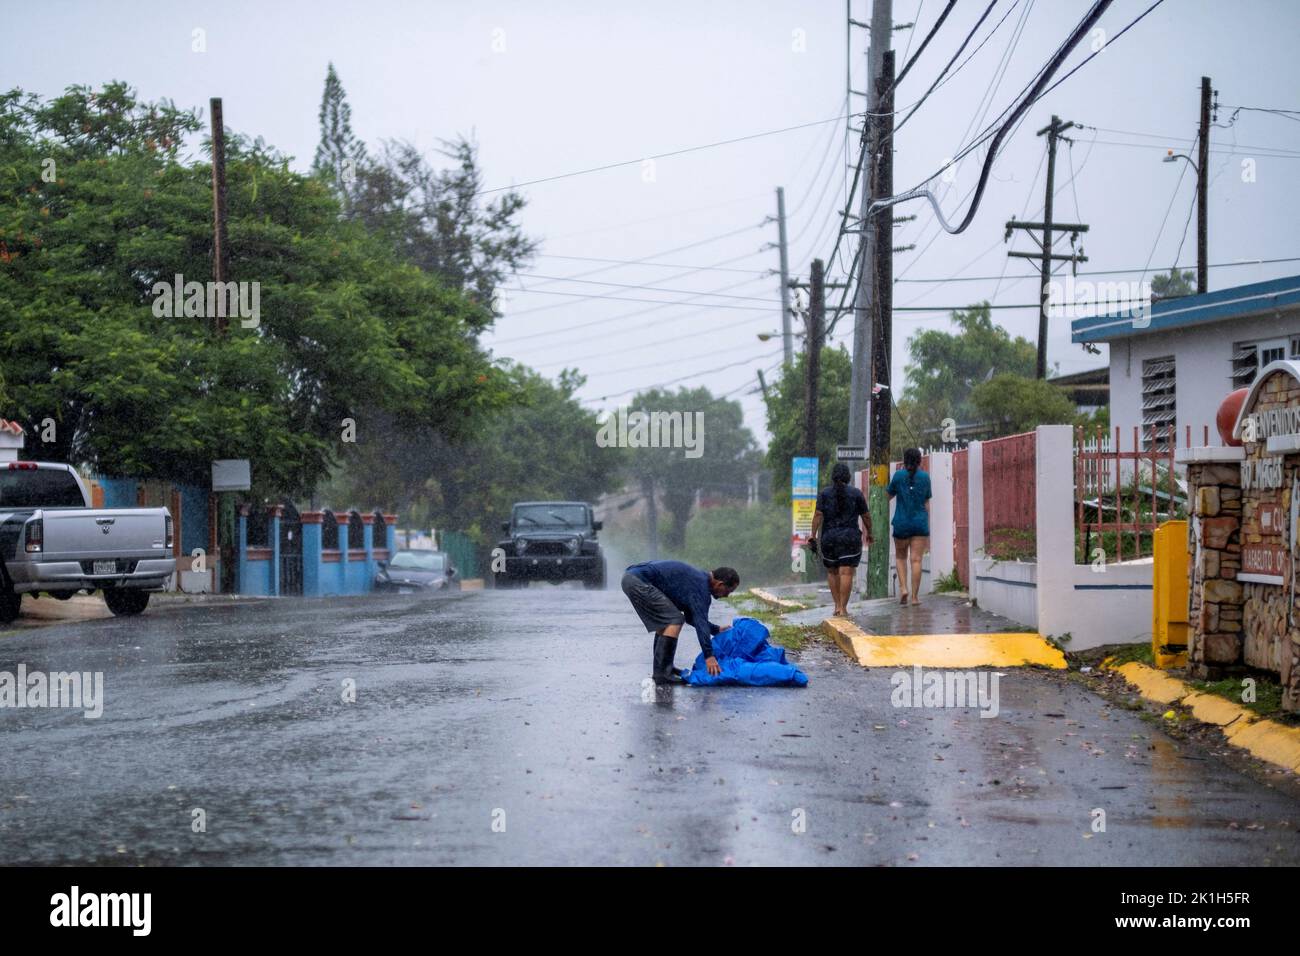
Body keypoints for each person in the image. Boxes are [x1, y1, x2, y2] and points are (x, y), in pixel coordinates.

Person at [621, 560, 740, 684]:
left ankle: (664, 669)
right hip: (638, 581)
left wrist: (716, 629)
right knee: (674, 620)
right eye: (729, 591)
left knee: (668, 621)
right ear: (720, 584)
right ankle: (662, 674)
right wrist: (709, 656)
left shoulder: (699, 581)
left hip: (632, 578)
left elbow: (691, 617)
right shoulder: (701, 587)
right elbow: (701, 624)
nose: (727, 596)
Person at [808, 463, 872, 618]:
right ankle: (843, 608)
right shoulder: (856, 494)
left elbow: (817, 515)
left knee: (832, 571)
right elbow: (866, 516)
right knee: (846, 572)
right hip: (849, 538)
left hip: (829, 538)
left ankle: (836, 605)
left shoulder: (824, 494)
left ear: (833, 477)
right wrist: (870, 532)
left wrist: (813, 534)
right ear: (848, 477)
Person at [888, 447, 931, 605]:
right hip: (919, 524)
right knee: (916, 560)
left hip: (901, 523)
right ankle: (914, 597)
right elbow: (926, 503)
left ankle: (903, 588)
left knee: (900, 557)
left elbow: (888, 495)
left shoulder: (898, 476)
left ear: (905, 461)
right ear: (919, 460)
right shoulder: (925, 477)